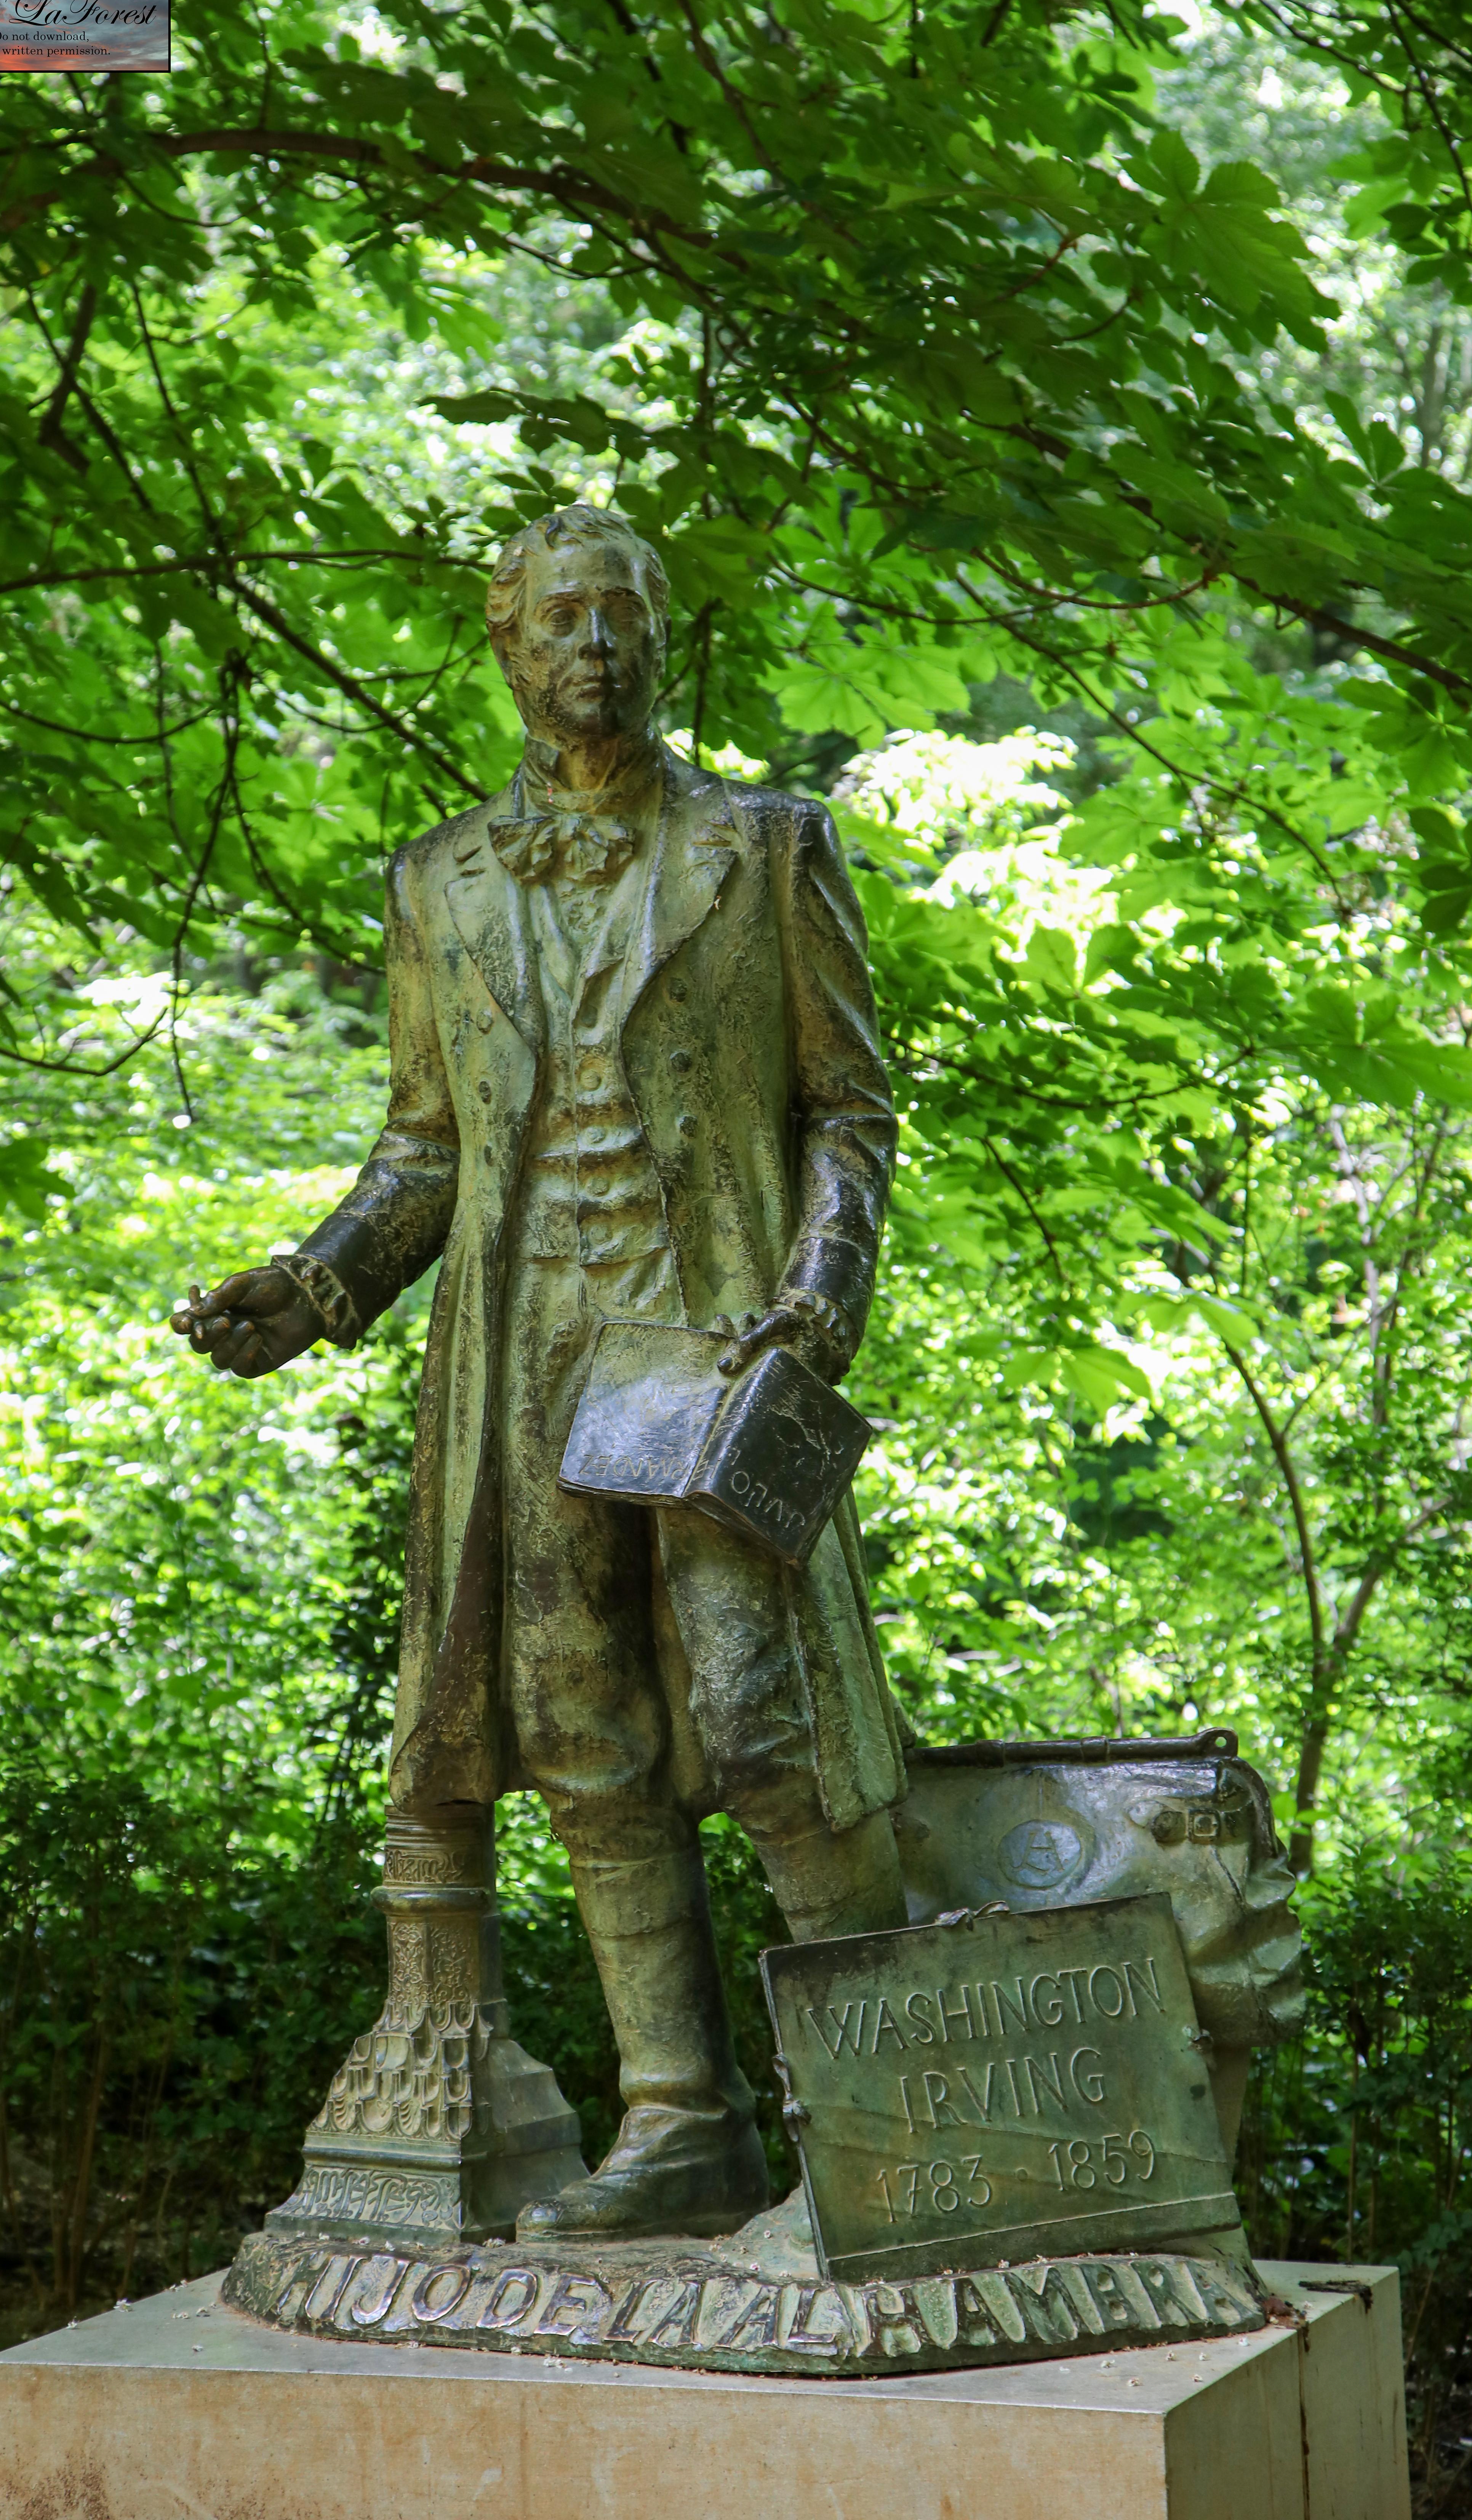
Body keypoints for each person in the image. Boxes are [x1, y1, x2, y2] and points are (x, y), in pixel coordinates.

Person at [176, 503, 907, 2239]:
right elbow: (424, 1148)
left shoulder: (764, 846)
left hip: (715, 1340)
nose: (592, 643)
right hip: (528, 1361)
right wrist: (318, 1284)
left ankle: (892, 2125)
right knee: (581, 1733)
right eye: (559, 617)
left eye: (619, 614)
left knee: (766, 1724)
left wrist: (819, 1293)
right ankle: (682, 2121)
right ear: (507, 647)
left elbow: (850, 1110)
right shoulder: (438, 881)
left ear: (661, 638)